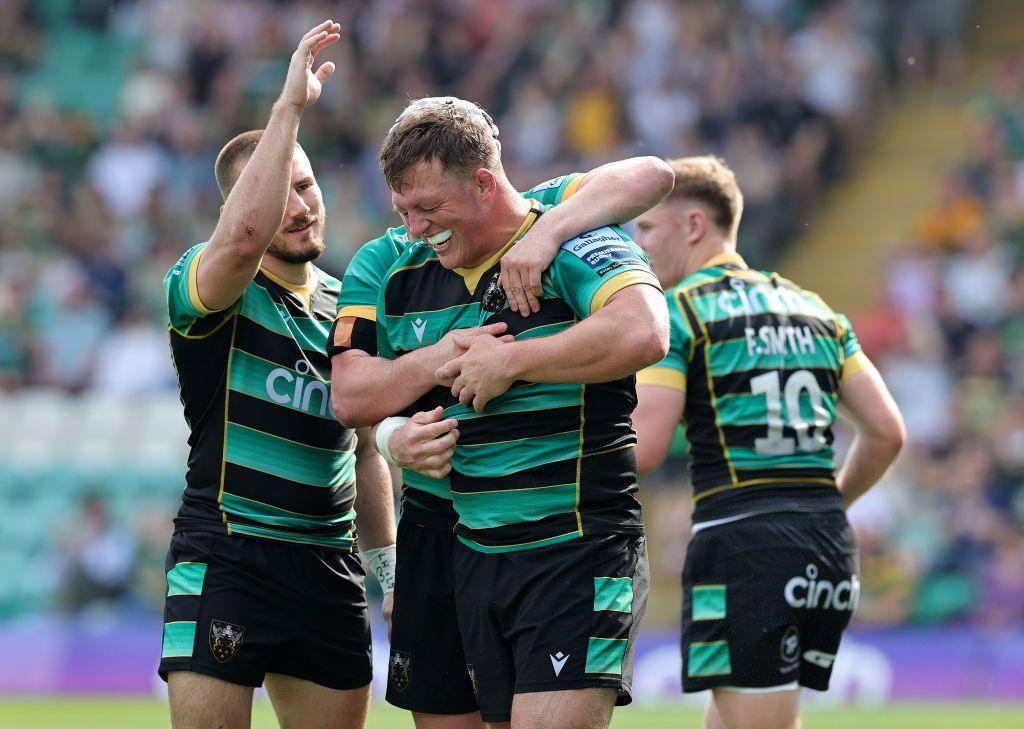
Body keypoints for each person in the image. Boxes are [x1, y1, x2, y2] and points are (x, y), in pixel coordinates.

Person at [329, 97, 675, 729]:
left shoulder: (572, 235)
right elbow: (351, 398)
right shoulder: (392, 264)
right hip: (468, 544)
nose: (414, 229)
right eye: (404, 210)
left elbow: (646, 332)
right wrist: (399, 427)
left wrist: (515, 361)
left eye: (429, 209)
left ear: (485, 184)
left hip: (576, 541)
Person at [160, 21, 394, 729]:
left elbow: (364, 448)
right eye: (281, 191)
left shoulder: (350, 301)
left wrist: (391, 574)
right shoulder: (206, 284)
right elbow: (240, 237)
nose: (301, 204)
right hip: (229, 552)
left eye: (308, 184)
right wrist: (288, 110)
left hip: (327, 570)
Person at [631, 156, 906, 729]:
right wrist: (832, 502)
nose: (639, 244)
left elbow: (645, 447)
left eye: (649, 228)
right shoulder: (819, 312)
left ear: (694, 226)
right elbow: (886, 433)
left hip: (743, 547)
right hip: (826, 551)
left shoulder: (679, 313)